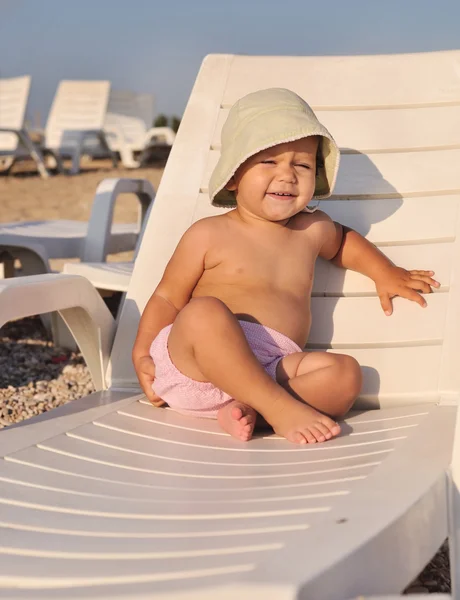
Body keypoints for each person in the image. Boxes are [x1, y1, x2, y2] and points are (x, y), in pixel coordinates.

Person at [132, 88, 439, 445]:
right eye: (268, 162)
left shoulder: (313, 229)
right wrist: (141, 353)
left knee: (346, 375)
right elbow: (168, 298)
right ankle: (278, 408)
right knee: (203, 313)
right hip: (199, 365)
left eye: (302, 164)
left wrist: (383, 272)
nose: (288, 175)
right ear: (233, 177)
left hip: (272, 366)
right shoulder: (209, 233)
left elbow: (343, 243)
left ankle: (252, 413)